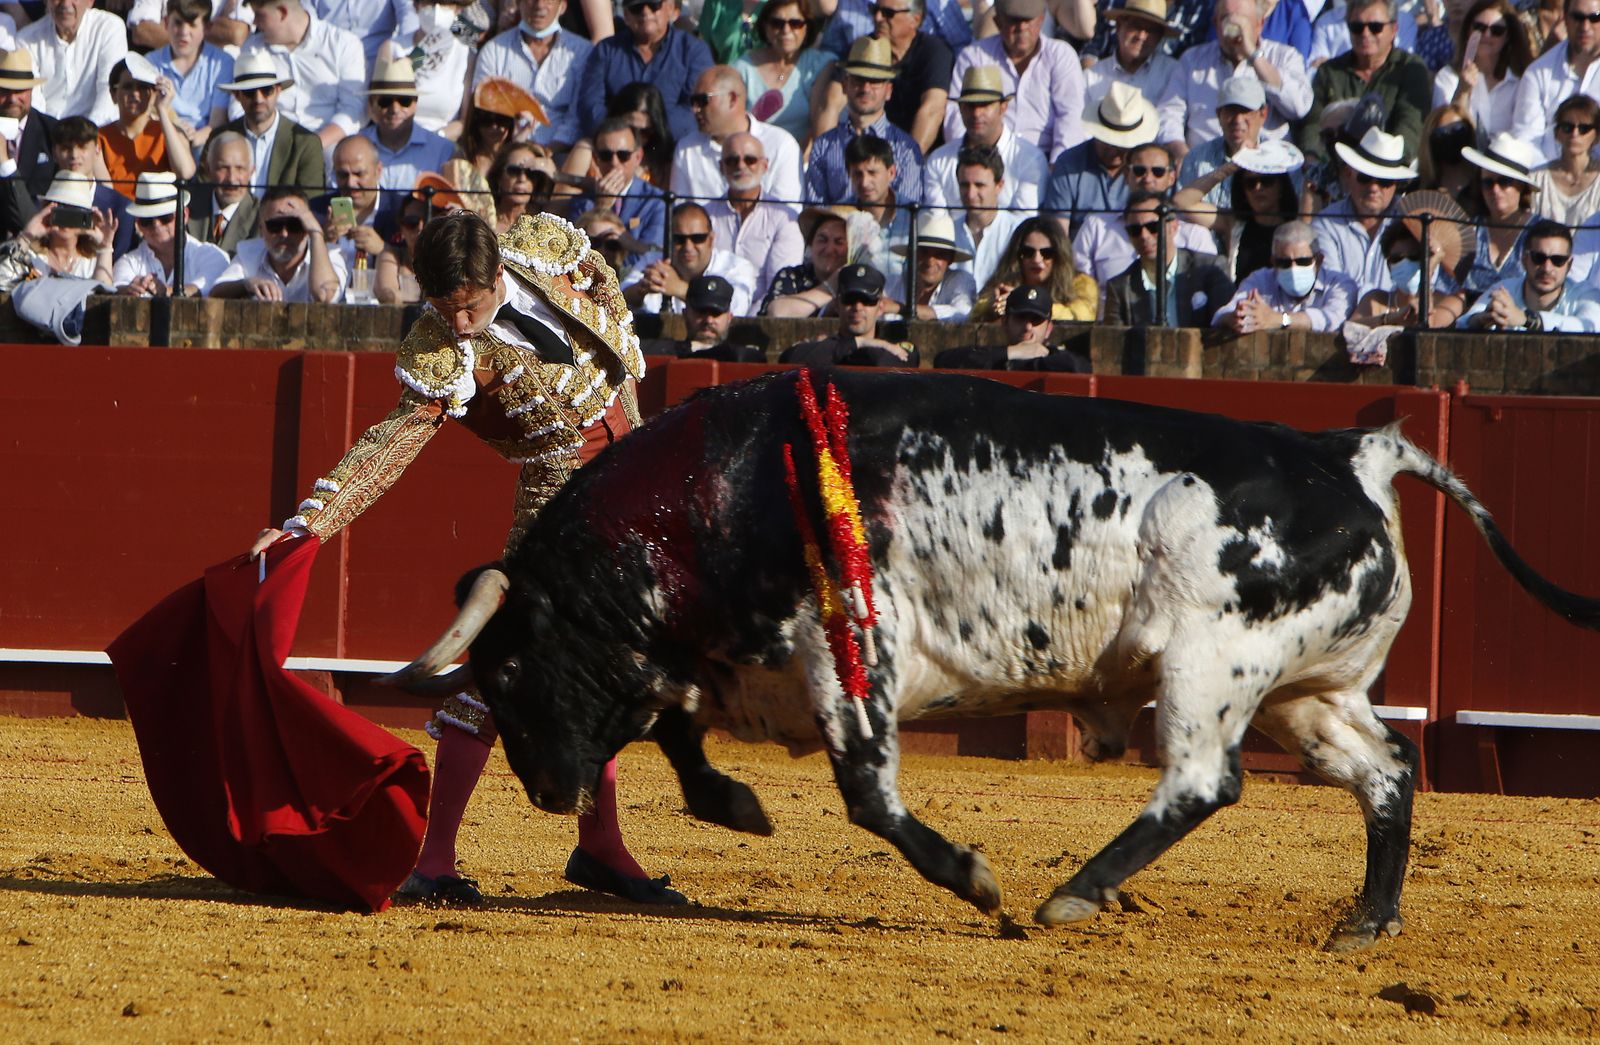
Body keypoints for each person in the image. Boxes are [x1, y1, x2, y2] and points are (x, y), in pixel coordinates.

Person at [246, 209, 679, 908]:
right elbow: (391, 441)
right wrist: (309, 525)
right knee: (501, 667)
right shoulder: (439, 349)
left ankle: (599, 844)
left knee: (609, 664)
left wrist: (631, 409)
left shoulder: (544, 248)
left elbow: (605, 298)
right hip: (558, 506)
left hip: (630, 480)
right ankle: (436, 855)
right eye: (447, 310)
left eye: (471, 306)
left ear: (498, 274)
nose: (463, 325)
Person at [1155, 0, 1313, 162]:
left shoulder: (1284, 57)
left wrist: (1253, 54)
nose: (1233, 26)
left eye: (1242, 19)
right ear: (1215, 23)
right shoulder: (1192, 60)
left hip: (1265, 168)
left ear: (1260, 24)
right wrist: (1181, 153)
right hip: (1203, 166)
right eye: (1226, 18)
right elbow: (1169, 112)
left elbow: (1298, 107)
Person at [942, 0, 1085, 162]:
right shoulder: (975, 56)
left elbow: (1071, 117)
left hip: (1046, 159)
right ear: (998, 22)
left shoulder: (1061, 56)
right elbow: (956, 113)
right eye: (1014, 21)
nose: (1022, 28)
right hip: (985, 160)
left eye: (1028, 20)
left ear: (1041, 19)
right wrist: (971, 161)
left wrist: (1057, 166)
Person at [1299, 0, 1437, 162]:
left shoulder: (1410, 69)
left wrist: (1379, 167)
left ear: (1394, 29)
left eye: (1375, 27)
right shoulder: (1329, 71)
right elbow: (1312, 125)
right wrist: (1313, 160)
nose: (1365, 33)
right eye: (1357, 27)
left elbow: (1410, 128)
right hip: (1335, 170)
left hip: (1389, 173)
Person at [1072, 140, 1218, 288]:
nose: (1148, 179)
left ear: (1171, 178)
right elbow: (1079, 290)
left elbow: (1210, 285)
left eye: (1158, 172)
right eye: (1139, 171)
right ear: (1126, 175)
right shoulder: (1096, 227)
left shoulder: (1194, 234)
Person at [804, 36, 925, 205]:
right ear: (845, 85)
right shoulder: (823, 146)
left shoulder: (906, 149)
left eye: (875, 81)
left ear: (888, 90)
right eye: (858, 80)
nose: (865, 88)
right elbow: (815, 209)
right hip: (836, 229)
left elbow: (907, 214)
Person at [576, 0, 714, 143]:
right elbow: (589, 105)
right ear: (626, 14)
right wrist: (623, 127)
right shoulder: (606, 51)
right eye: (637, 7)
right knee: (582, 150)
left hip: (673, 149)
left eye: (654, 5)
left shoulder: (694, 51)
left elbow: (697, 107)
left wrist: (652, 124)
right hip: (616, 149)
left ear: (670, 8)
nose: (645, 12)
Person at [671, 64, 802, 214]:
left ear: (732, 98)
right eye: (693, 102)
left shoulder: (781, 145)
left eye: (702, 100)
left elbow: (788, 214)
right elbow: (679, 214)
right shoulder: (687, 149)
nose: (695, 109)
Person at [921, 66, 1047, 213]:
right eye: (970, 106)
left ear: (1003, 107)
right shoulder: (938, 161)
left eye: (985, 105)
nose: (976, 113)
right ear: (960, 108)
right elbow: (936, 223)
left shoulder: (1030, 159)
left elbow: (1023, 225)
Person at [242, 0, 366, 149]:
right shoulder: (253, 48)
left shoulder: (343, 44)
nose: (254, 22)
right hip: (270, 142)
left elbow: (352, 109)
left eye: (259, 15)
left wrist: (311, 147)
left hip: (328, 144)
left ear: (282, 12)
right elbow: (238, 104)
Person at [1041, 82, 1159, 238]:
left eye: (1121, 145)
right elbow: (1057, 234)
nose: (1114, 150)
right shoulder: (1069, 164)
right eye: (1108, 142)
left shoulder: (1154, 169)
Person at [473, 0, 591, 150]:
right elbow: (483, 110)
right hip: (503, 150)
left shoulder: (582, 53)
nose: (539, 5)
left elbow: (577, 118)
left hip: (562, 152)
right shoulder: (493, 51)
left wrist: (548, 152)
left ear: (562, 6)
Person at [1104, 190, 1235, 325]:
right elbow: (1113, 342)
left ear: (1174, 226)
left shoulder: (1211, 269)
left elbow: (1225, 325)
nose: (1144, 236)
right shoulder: (1120, 287)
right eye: (1135, 230)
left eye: (1152, 227)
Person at [704, 130, 803, 305]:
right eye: (732, 160)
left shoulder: (784, 217)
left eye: (750, 160)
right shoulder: (705, 216)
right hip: (710, 312)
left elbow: (779, 287)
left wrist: (746, 320)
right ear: (721, 167)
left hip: (762, 319)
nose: (741, 166)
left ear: (765, 166)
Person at [1312, 126, 1414, 296]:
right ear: (1348, 174)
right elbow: (1332, 289)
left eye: (1384, 181)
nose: (1373, 188)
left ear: (1396, 184)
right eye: (1365, 178)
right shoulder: (1325, 223)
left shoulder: (1413, 221)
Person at [1213, 217, 1360, 331]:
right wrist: (1234, 318)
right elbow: (1222, 315)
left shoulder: (1340, 284)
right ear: (1273, 262)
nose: (1293, 268)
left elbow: (1332, 320)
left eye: (1302, 261)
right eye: (1284, 263)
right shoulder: (1259, 280)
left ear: (1319, 260)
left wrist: (1279, 319)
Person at [217, 49, 326, 198]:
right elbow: (208, 193)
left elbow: (312, 202)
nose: (259, 99)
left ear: (278, 91)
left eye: (266, 90)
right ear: (237, 96)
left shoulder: (305, 142)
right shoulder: (219, 139)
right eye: (250, 92)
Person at [1458, 216, 1600, 327]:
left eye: (1557, 260)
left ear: (1569, 265)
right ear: (1524, 260)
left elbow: (1589, 327)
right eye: (1538, 258)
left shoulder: (1585, 294)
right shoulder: (1503, 290)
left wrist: (1527, 320)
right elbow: (1463, 323)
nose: (1547, 268)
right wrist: (1482, 319)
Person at [209, 187, 347, 301]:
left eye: (295, 225)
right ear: (261, 229)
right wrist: (247, 284)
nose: (284, 234)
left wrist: (316, 233)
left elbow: (324, 295)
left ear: (306, 228)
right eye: (275, 226)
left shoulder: (330, 255)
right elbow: (215, 294)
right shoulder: (249, 253)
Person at [622, 201, 757, 314]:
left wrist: (680, 289)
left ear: (711, 240)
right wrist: (641, 289)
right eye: (679, 239)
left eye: (697, 238)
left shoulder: (737, 267)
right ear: (668, 240)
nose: (688, 246)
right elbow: (618, 299)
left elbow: (735, 310)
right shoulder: (653, 261)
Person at [112, 171, 232, 296]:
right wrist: (132, 290)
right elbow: (119, 288)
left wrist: (166, 291)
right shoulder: (128, 262)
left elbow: (207, 287)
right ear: (138, 223)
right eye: (146, 220)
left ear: (184, 215)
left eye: (165, 217)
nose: (156, 225)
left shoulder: (211, 255)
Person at [568, 118, 668, 266]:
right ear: (596, 159)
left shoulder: (655, 201)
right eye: (606, 156)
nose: (614, 163)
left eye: (623, 155)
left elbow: (653, 256)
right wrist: (601, 209)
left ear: (638, 157)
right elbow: (575, 253)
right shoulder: (582, 201)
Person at [98, 54, 198, 200]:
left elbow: (185, 172)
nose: (135, 94)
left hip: (158, 217)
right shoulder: (100, 137)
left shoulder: (168, 132)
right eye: (127, 87)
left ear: (154, 93)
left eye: (143, 87)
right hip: (116, 215)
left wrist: (162, 110)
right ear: (113, 94)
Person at [1510, 0, 1600, 160]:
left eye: (1595, 18)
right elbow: (1527, 143)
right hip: (1547, 179)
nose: (1585, 27)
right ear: (1564, 18)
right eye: (1577, 17)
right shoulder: (1537, 73)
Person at [779, 262, 919, 366]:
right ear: (836, 305)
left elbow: (885, 361)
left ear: (881, 306)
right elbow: (789, 358)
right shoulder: (826, 346)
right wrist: (858, 342)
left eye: (867, 301)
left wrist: (846, 350)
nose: (857, 307)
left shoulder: (893, 347)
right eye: (849, 300)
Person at [731, 0, 830, 144]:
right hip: (751, 156)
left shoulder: (819, 65)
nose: (786, 30)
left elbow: (819, 124)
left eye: (795, 23)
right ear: (765, 26)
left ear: (807, 26)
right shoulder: (742, 68)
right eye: (777, 23)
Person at [1433, 0, 1532, 141]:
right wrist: (1462, 91)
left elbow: (1525, 134)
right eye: (1479, 27)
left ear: (1507, 37)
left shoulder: (1521, 81)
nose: (1487, 35)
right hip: (1460, 159)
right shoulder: (1447, 77)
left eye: (1497, 30)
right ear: (1468, 30)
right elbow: (1443, 134)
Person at [18, 0, 127, 126]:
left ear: (90, 2)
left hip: (95, 132)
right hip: (46, 135)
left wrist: (88, 137)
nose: (65, 3)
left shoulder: (109, 27)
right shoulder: (26, 39)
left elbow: (108, 92)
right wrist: (48, 137)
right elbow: (33, 100)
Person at [970, 216, 1098, 321]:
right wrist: (993, 305)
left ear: (1059, 255)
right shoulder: (1003, 282)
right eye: (1027, 252)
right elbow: (973, 316)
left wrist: (1025, 302)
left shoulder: (1082, 283)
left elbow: (1082, 317)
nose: (1037, 260)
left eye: (1047, 253)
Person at [359, 57, 456, 196]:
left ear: (415, 102)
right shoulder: (353, 147)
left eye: (404, 100)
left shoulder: (443, 150)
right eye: (385, 101)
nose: (395, 109)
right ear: (372, 103)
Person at [934, 285, 1089, 371]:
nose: (1028, 327)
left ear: (1048, 328)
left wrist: (1035, 359)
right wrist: (1012, 353)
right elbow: (944, 360)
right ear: (1005, 323)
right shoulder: (993, 358)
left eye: (1036, 320)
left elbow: (1078, 367)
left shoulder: (1059, 360)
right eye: (1021, 318)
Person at [147, 0, 234, 153]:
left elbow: (217, 122)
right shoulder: (150, 63)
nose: (183, 32)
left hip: (203, 142)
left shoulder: (222, 63)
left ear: (207, 28)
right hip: (162, 140)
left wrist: (192, 139)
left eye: (192, 25)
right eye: (178, 23)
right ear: (166, 23)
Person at [1461, 133, 1542, 297]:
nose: (1495, 190)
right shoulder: (1467, 231)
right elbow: (1448, 289)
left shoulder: (1541, 232)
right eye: (1487, 183)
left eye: (1504, 182)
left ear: (1521, 186)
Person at [870, 0, 955, 154]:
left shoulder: (934, 52)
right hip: (870, 153)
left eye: (888, 13)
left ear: (915, 19)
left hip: (922, 155)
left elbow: (932, 110)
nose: (877, 18)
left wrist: (907, 163)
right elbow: (832, 102)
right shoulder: (865, 49)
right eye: (874, 10)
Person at [5, 170, 116, 280]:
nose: (67, 218)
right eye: (61, 208)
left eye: (74, 210)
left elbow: (104, 294)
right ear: (48, 210)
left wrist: (105, 248)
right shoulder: (29, 256)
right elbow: (3, 280)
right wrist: (26, 238)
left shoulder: (92, 262)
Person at [0, 49, 58, 241]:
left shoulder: (53, 132)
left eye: (19, 91)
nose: (12, 99)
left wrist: (3, 160)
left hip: (40, 242)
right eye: (4, 91)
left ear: (31, 91)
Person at [1082, 0, 1179, 113]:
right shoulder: (1091, 77)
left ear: (1159, 37)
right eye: (1136, 26)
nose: (1141, 36)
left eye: (1150, 30)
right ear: (1119, 26)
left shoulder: (1173, 75)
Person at [639, 274, 766, 360]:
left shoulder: (743, 357)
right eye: (701, 312)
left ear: (729, 317)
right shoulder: (662, 350)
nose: (708, 320)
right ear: (685, 314)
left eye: (716, 313)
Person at [951, 145, 1023, 291]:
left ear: (999, 185)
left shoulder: (1018, 232)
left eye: (979, 185)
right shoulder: (947, 232)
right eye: (964, 185)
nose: (971, 194)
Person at [761, 204, 852, 314]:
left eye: (839, 242)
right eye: (822, 240)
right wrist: (830, 288)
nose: (829, 249)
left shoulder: (859, 281)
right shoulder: (792, 276)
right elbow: (777, 313)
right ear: (811, 243)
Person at [885, 210, 975, 319]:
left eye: (939, 255)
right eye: (924, 252)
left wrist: (900, 308)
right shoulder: (890, 285)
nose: (930, 262)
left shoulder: (960, 281)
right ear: (911, 254)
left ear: (950, 259)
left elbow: (962, 314)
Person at [1531, 93, 1600, 224]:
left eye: (1584, 129)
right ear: (1557, 133)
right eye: (1567, 127)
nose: (1575, 134)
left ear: (1596, 137)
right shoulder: (1536, 179)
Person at [186, 130, 258, 254]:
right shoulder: (188, 205)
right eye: (223, 168)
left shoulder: (260, 216)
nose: (231, 179)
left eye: (240, 169)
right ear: (209, 170)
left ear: (252, 171)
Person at [604, 82, 676, 187]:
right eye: (631, 129)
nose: (636, 137)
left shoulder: (664, 164)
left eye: (644, 132)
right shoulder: (589, 153)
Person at [490, 141, 557, 234]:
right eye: (513, 171)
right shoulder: (484, 219)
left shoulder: (544, 223)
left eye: (531, 173)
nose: (522, 179)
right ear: (499, 177)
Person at [373, 191, 426, 302]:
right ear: (401, 228)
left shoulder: (449, 259)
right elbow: (387, 294)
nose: (420, 228)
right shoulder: (392, 254)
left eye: (428, 220)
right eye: (412, 222)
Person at [1418, 102, 1477, 197]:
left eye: (1458, 129)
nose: (1451, 137)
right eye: (1441, 133)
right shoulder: (1418, 189)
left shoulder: (1485, 187)